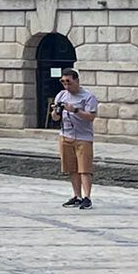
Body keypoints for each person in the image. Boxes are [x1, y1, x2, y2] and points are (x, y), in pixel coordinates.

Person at [53, 68, 98, 207]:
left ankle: (87, 197)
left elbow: (91, 117)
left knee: (84, 168)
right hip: (66, 135)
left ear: (77, 81)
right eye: (63, 82)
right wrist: (56, 111)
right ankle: (77, 195)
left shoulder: (88, 97)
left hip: (83, 137)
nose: (66, 85)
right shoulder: (61, 95)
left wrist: (75, 110)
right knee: (71, 168)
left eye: (69, 82)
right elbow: (54, 118)